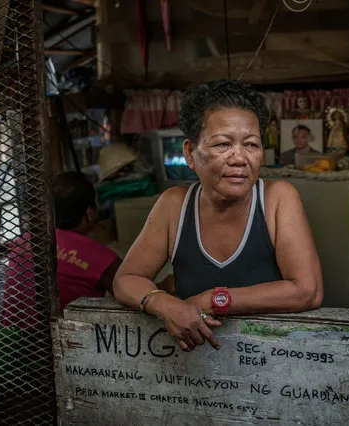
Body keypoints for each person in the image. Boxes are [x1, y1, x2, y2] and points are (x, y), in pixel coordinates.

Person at [114, 79, 323, 352]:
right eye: (223, 144)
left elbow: (308, 291)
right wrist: (165, 304)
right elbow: (126, 279)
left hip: (271, 358)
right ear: (190, 153)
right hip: (195, 364)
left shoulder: (278, 199)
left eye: (251, 145)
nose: (239, 158)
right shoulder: (174, 205)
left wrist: (214, 299)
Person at [2, 172, 122, 327]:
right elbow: (138, 295)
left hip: (13, 344)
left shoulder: (23, 241)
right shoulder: (103, 260)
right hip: (66, 346)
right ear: (89, 213)